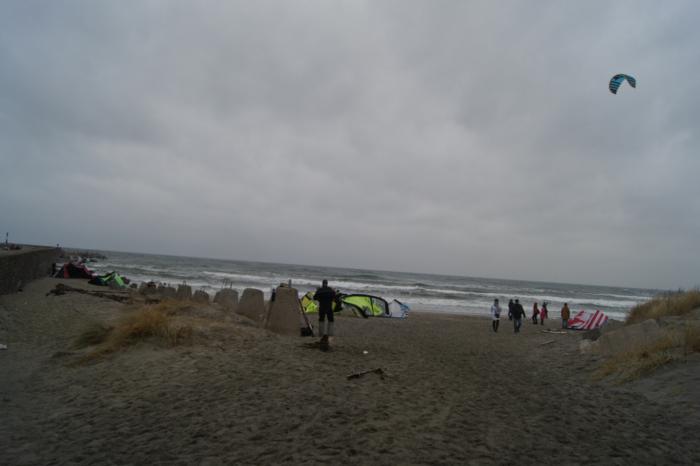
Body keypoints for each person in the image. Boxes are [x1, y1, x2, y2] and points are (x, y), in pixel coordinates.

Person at [314, 279, 336, 351]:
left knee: (321, 319)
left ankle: (321, 333)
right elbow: (335, 298)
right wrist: (333, 291)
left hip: (322, 307)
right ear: (327, 283)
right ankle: (330, 333)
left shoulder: (320, 290)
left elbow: (314, 298)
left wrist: (317, 291)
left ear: (322, 283)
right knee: (331, 320)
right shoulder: (330, 290)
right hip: (329, 307)